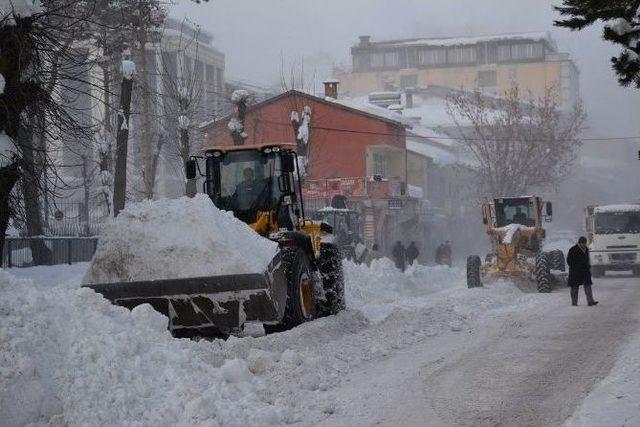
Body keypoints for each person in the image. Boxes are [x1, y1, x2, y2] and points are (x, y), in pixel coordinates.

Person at [567, 236, 598, 306]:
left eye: (585, 243)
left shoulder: (586, 249)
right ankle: (574, 303)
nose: (584, 245)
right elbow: (569, 260)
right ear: (579, 243)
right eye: (583, 244)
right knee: (574, 287)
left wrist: (588, 266)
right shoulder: (573, 250)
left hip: (585, 271)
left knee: (588, 285)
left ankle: (590, 301)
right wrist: (575, 266)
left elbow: (587, 259)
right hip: (575, 272)